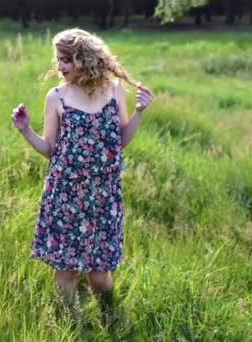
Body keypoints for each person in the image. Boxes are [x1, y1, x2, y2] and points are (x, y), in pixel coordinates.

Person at [11, 28, 153, 324]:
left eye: (66, 59)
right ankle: (73, 327)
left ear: (84, 59)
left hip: (103, 197)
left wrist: (139, 112)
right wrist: (25, 130)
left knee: (99, 277)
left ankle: (109, 312)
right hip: (65, 195)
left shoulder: (114, 91)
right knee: (67, 271)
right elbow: (51, 148)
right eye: (58, 59)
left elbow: (121, 140)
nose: (60, 66)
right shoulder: (56, 97)